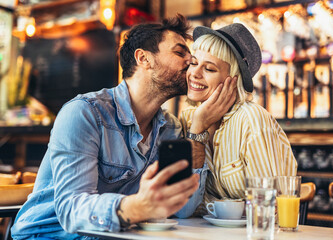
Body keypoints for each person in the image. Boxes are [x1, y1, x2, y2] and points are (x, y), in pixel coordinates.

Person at [11, 15, 236, 239]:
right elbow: (72, 211)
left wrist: (198, 131)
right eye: (180, 53)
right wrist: (137, 206)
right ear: (143, 58)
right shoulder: (85, 113)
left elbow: (182, 210)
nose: (191, 61)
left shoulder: (170, 128)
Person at [180, 23, 298, 213]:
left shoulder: (251, 119)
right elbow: (183, 209)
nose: (194, 73)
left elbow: (269, 207)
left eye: (209, 69)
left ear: (233, 80)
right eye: (193, 63)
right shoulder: (188, 120)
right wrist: (197, 130)